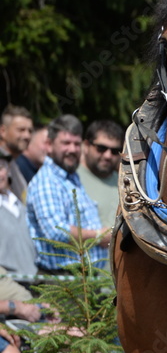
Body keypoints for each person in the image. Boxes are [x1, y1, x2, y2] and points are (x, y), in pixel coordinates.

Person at [26, 115, 110, 274]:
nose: (72, 149)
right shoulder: (47, 180)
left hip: (83, 279)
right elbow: (56, 231)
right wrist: (98, 236)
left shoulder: (70, 177)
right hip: (61, 282)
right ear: (49, 145)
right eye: (66, 143)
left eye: (76, 144)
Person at [78, 120, 124, 229]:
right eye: (101, 148)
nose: (108, 155)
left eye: (114, 151)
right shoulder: (70, 179)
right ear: (86, 145)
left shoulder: (124, 184)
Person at [0, 155, 37, 276]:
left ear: (8, 170)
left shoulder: (20, 205)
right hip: (7, 281)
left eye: (0, 168)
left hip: (34, 277)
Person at [0, 105, 33, 200]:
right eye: (21, 130)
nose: (27, 136)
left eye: (30, 131)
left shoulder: (13, 164)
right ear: (3, 131)